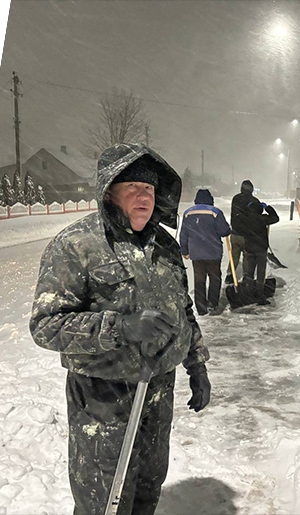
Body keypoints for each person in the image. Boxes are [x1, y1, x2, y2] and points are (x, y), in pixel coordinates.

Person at [30, 143, 211, 515]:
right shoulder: (76, 245)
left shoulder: (165, 245)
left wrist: (197, 366)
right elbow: (46, 325)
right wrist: (120, 328)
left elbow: (183, 309)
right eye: (132, 187)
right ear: (109, 192)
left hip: (158, 393)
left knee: (147, 489)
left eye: (149, 188)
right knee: (104, 501)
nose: (143, 196)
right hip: (103, 401)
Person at [180, 188, 231, 315]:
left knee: (199, 280)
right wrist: (228, 229)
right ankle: (212, 304)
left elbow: (184, 234)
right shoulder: (215, 212)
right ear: (210, 199)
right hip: (213, 252)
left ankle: (201, 308)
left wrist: (184, 251)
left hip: (196, 253)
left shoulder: (188, 213)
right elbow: (224, 231)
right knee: (215, 279)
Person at [230, 180, 279, 304]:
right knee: (260, 270)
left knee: (248, 268)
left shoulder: (244, 216)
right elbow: (275, 218)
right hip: (261, 248)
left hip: (248, 245)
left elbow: (237, 217)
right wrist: (267, 208)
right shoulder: (262, 218)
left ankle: (247, 289)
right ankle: (259, 292)